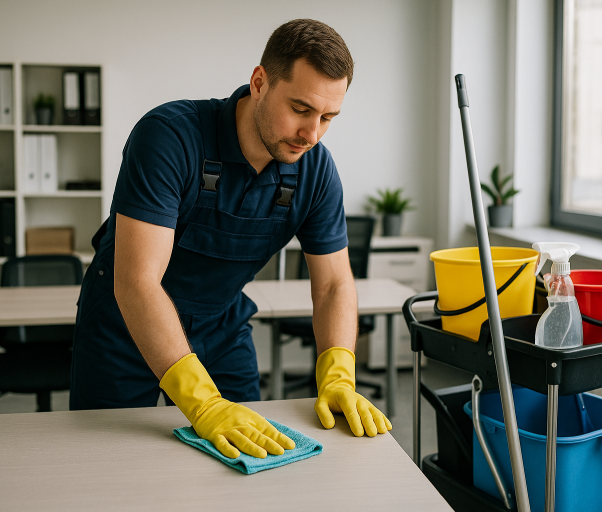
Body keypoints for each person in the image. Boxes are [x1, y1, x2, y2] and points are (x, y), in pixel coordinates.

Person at [70, 18, 391, 459]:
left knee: (253, 460)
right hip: (124, 330)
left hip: (220, 326)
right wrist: (204, 403)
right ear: (259, 82)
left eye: (328, 118)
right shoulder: (169, 137)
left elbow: (335, 283)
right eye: (300, 109)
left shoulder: (315, 170)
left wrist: (338, 373)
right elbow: (137, 282)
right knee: (109, 468)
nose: (312, 134)